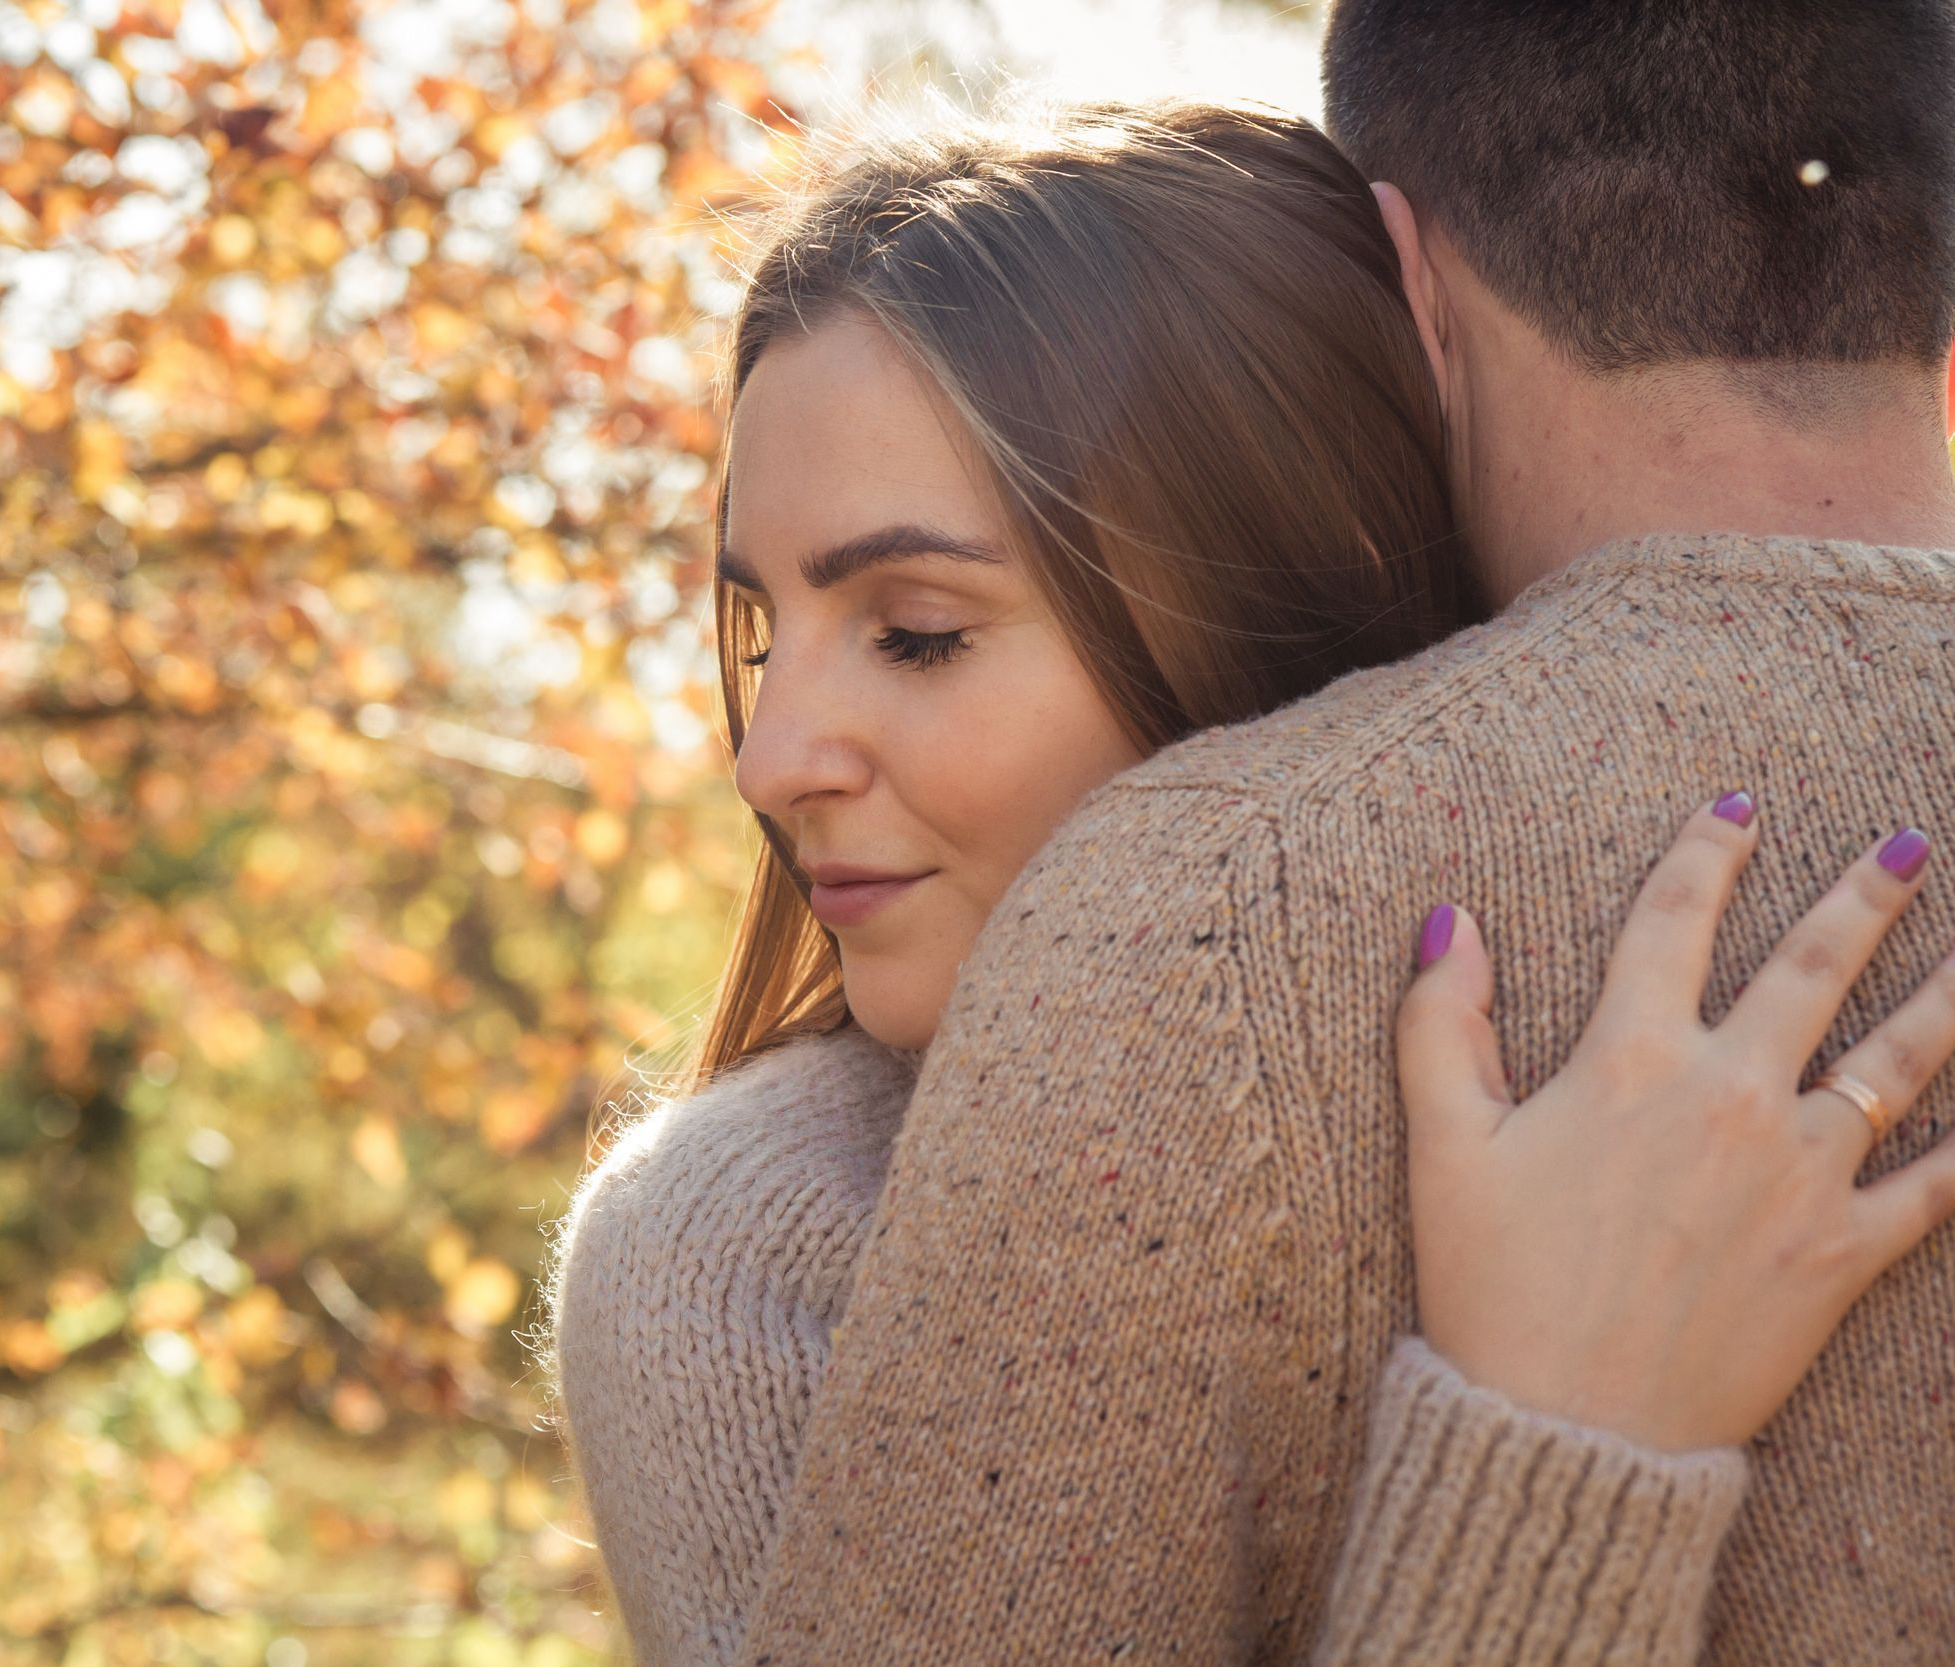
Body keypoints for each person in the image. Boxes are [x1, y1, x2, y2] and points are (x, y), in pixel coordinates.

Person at [540, 65, 1955, 1667]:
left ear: (1273, 582)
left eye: (915, 636)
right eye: (757, 631)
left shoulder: (1652, 984)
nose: (769, 755)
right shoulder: (747, 1247)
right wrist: (1553, 1443)